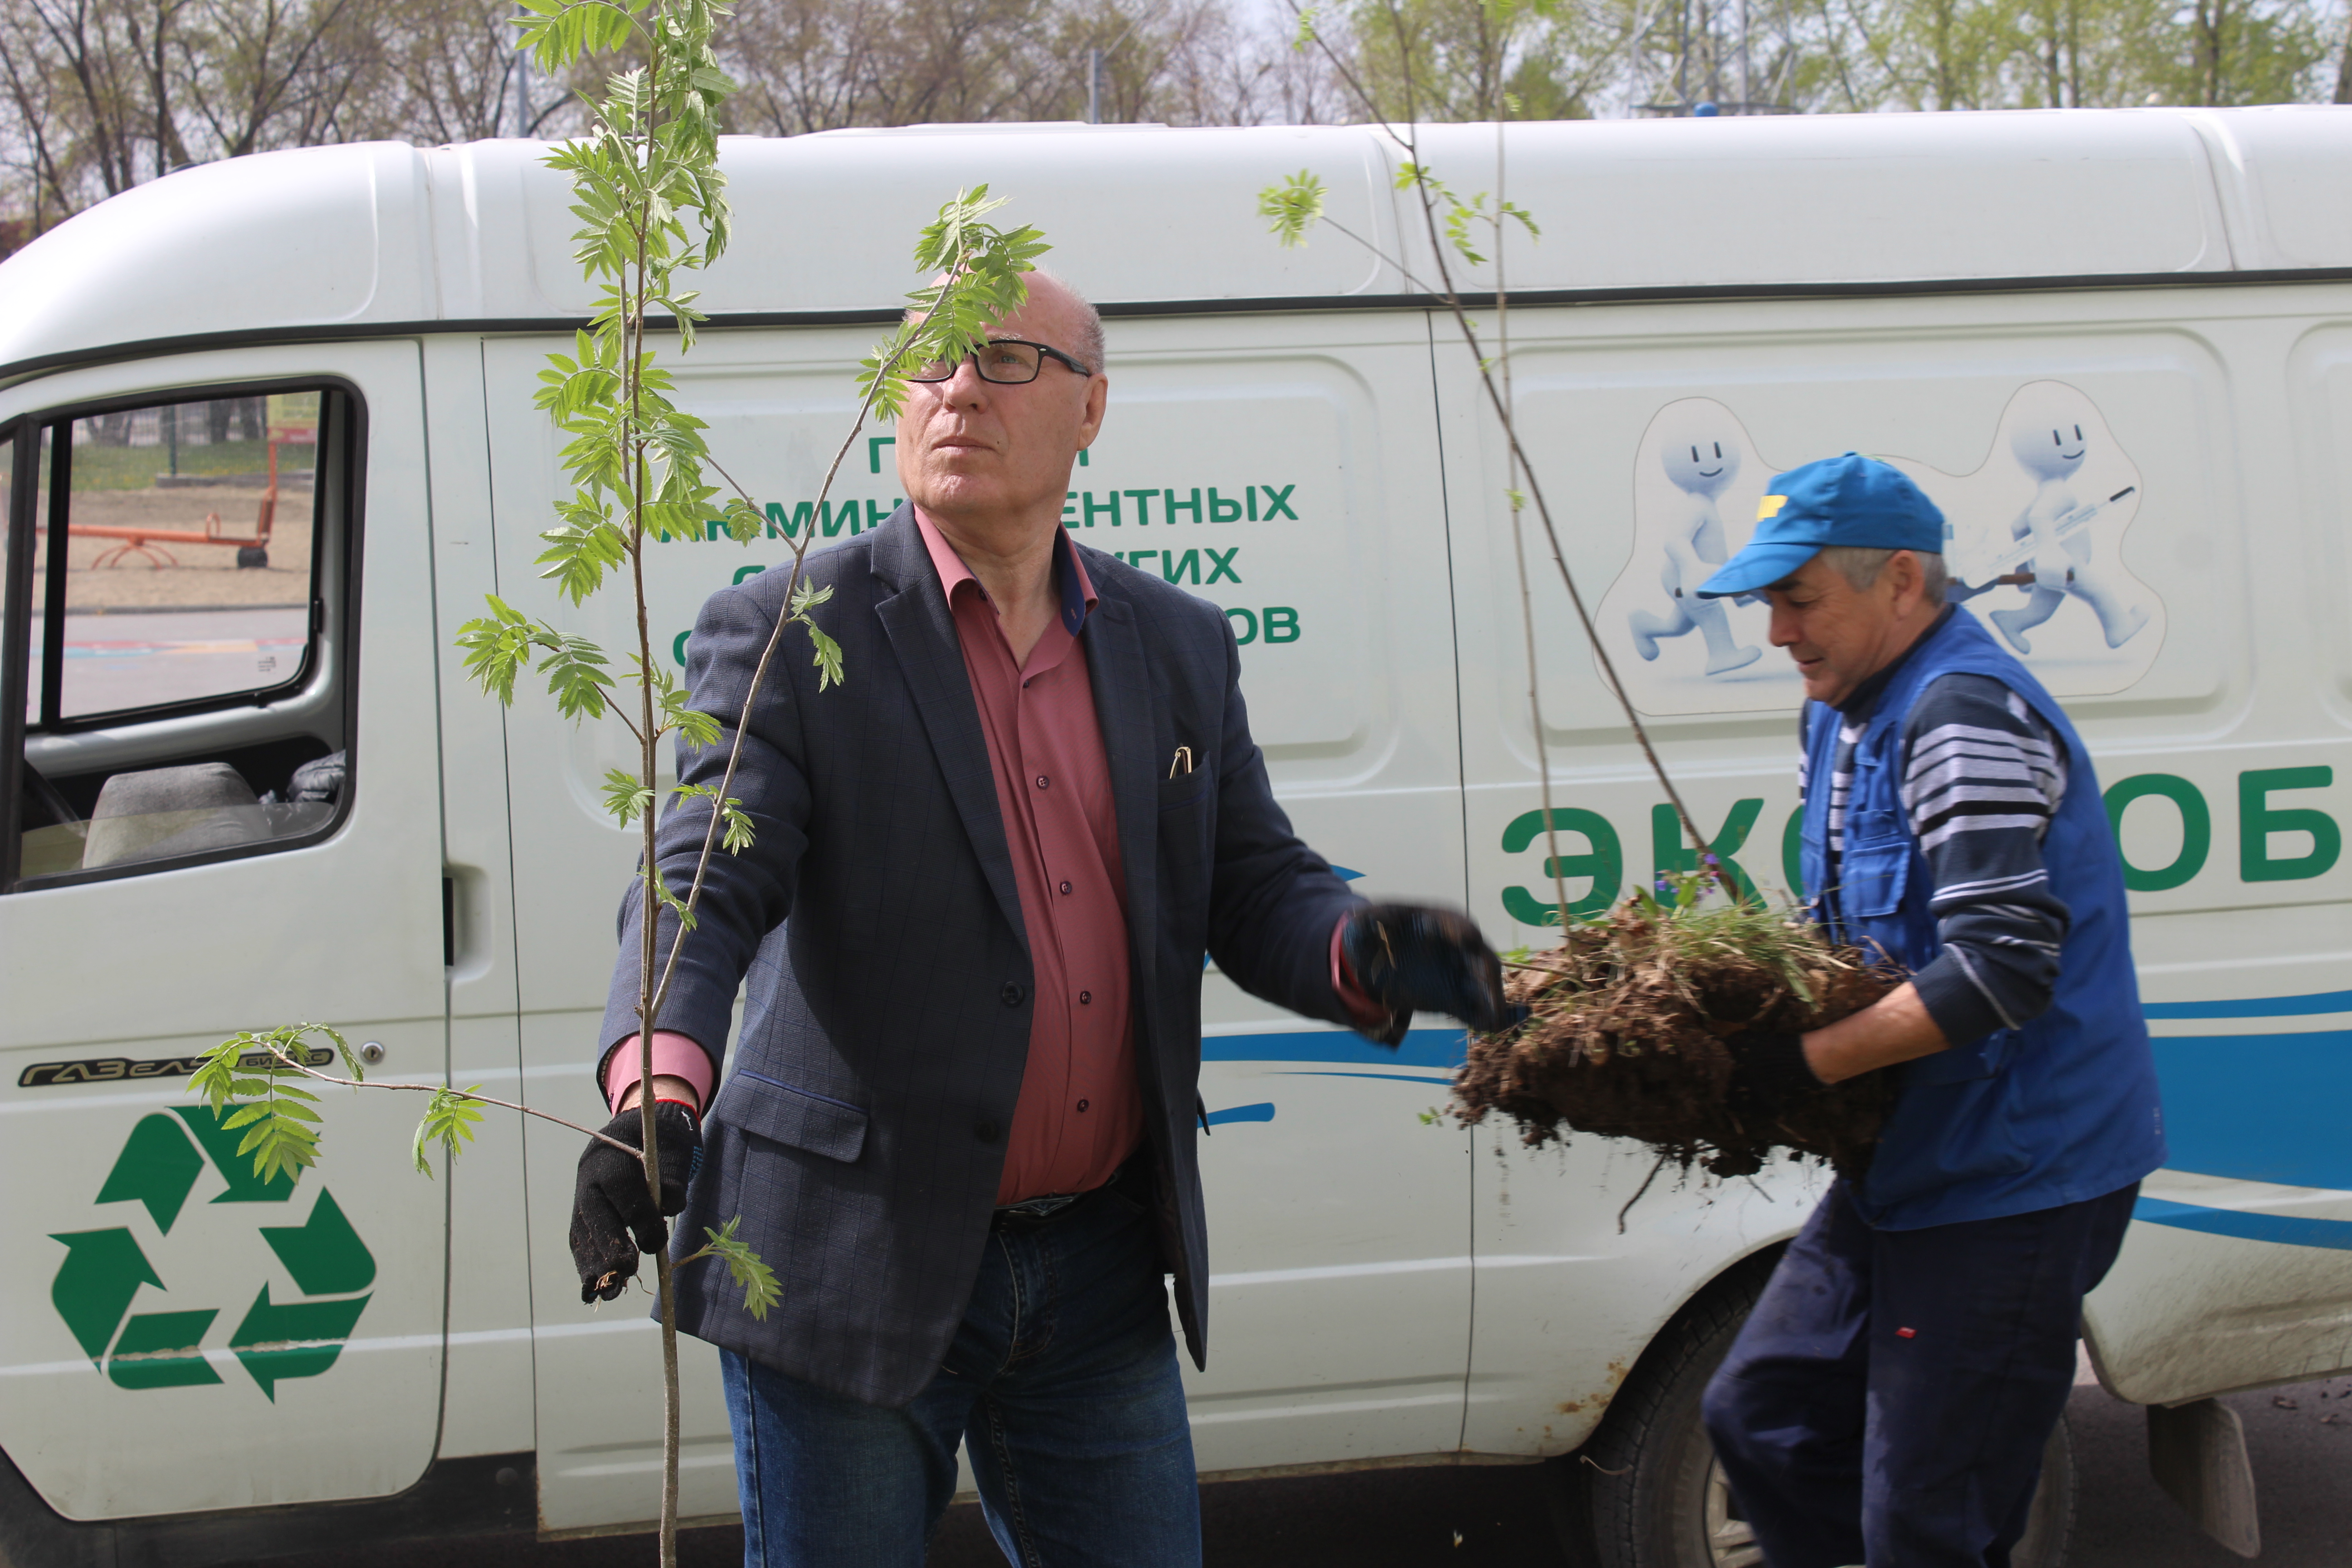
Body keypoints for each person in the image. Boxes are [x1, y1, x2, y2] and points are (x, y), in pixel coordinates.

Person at [564, 270, 1519, 1567]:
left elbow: (1250, 882)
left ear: (1092, 409)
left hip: (1102, 1271)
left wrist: (1359, 948)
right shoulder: (797, 631)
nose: (957, 388)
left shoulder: (1176, 643)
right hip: (851, 1259)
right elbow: (699, 878)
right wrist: (658, 1087)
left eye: (1004, 359)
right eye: (930, 364)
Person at [1689, 452, 2166, 1567]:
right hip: (1917, 1156)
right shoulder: (1845, 715)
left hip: (2014, 1174)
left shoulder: (1961, 714)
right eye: (1767, 603)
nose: (1776, 633)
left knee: (1927, 1523)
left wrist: (1800, 1069)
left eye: (1798, 599)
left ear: (1902, 579)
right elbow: (1853, 932)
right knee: (1764, 1419)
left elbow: (2001, 971)